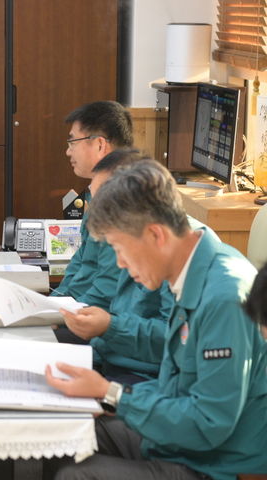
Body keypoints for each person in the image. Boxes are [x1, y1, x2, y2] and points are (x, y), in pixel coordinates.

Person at [45, 159, 267, 480]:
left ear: (155, 235)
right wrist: (111, 397)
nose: (120, 263)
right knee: (62, 435)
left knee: (76, 475)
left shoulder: (224, 299)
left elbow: (208, 423)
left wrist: (114, 394)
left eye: (121, 249)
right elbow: (176, 384)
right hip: (176, 442)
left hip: (210, 463)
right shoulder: (188, 271)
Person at [60, 149, 173, 384]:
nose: (119, 262)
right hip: (113, 359)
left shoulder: (192, 271)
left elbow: (173, 343)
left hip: (143, 378)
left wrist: (109, 328)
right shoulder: (139, 242)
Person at [50, 101, 133, 311]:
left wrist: (62, 317)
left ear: (99, 145)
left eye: (72, 143)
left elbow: (106, 288)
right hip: (78, 310)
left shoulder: (123, 202)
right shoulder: (98, 192)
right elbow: (80, 264)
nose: (68, 152)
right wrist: (54, 304)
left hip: (99, 321)